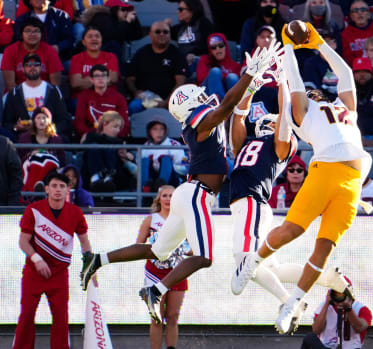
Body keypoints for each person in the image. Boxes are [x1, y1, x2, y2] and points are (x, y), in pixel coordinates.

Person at [79, 41, 281, 325]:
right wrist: (248, 75)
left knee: (157, 251)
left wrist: (251, 83)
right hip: (197, 195)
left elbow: (230, 109)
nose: (206, 96)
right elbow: (225, 107)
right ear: (190, 104)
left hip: (191, 194)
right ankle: (155, 290)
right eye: (199, 96)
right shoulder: (196, 119)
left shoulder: (199, 120)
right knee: (205, 257)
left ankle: (97, 259)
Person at [230, 24, 372, 335]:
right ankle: (252, 262)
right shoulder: (304, 112)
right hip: (325, 169)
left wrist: (319, 44)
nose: (311, 90)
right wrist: (289, 49)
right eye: (306, 92)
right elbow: (294, 81)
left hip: (349, 180)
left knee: (324, 248)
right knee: (292, 230)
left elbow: (345, 74)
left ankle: (293, 303)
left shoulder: (345, 106)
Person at [13, 172, 92, 349]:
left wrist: (91, 267)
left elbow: (85, 242)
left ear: (67, 190)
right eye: (54, 186)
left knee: (61, 319)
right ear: (47, 189)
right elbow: (23, 241)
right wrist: (36, 259)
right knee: (26, 316)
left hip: (59, 275)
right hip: (33, 273)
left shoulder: (76, 212)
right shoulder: (33, 210)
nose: (58, 190)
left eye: (62, 186)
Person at [136, 185, 191, 349]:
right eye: (165, 195)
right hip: (154, 273)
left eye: (172, 195)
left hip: (178, 272)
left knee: (173, 316)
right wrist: (154, 247)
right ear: (159, 199)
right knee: (156, 317)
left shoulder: (184, 219)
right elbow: (138, 245)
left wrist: (181, 249)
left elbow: (194, 248)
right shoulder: (151, 220)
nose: (168, 199)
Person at [2, 52, 71, 141]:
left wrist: (48, 130)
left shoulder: (53, 91)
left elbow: (64, 120)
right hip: (23, 138)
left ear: (41, 68)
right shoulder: (15, 93)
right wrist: (16, 127)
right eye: (28, 65)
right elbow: (7, 123)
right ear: (22, 69)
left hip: (49, 137)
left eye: (36, 64)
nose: (32, 67)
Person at [127, 21, 188, 114]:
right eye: (158, 31)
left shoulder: (177, 54)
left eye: (165, 32)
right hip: (145, 99)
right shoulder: (141, 53)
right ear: (150, 35)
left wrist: (167, 102)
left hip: (171, 100)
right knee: (134, 106)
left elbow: (180, 82)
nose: (162, 34)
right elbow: (130, 79)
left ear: (170, 35)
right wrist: (135, 92)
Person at [301, 282, 372, 349]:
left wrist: (348, 308)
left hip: (351, 347)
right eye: (336, 293)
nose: (339, 296)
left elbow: (360, 328)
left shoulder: (361, 309)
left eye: (342, 293)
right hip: (327, 346)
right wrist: (326, 304)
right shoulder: (323, 307)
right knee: (309, 338)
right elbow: (316, 330)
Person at [1, 17, 63, 91]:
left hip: (44, 95)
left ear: (41, 34)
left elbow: (55, 85)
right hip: (17, 95)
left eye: (36, 31)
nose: (32, 34)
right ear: (21, 34)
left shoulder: (50, 51)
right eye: (27, 31)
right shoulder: (10, 51)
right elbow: (10, 84)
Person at [81, 111, 135, 192]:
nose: (117, 130)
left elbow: (132, 157)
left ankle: (108, 177)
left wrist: (126, 155)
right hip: (89, 175)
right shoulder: (91, 136)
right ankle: (96, 177)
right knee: (95, 147)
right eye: (115, 126)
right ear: (105, 124)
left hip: (116, 177)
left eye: (119, 128)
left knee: (110, 148)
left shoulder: (120, 142)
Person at [74, 64, 129, 141]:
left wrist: (112, 134)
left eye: (103, 76)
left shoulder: (119, 98)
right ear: (91, 79)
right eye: (97, 76)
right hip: (92, 137)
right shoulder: (84, 96)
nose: (100, 78)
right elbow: (79, 121)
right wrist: (90, 134)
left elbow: (124, 123)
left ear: (108, 79)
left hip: (113, 137)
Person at [18, 106, 65, 194]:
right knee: (36, 161)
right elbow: (19, 160)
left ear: (49, 121)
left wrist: (49, 156)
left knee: (47, 161)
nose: (41, 121)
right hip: (30, 169)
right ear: (34, 121)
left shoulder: (56, 139)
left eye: (44, 118)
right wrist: (31, 155)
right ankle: (34, 190)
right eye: (38, 118)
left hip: (50, 170)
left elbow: (62, 161)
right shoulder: (24, 138)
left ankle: (42, 187)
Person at [69, 27, 120, 97]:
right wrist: (103, 79)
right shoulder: (77, 58)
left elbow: (113, 78)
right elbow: (76, 83)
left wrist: (87, 79)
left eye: (97, 36)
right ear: (83, 42)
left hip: (108, 98)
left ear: (101, 40)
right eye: (90, 36)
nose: (94, 39)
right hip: (84, 99)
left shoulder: (110, 57)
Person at [141, 119, 187, 191]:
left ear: (165, 131)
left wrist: (167, 166)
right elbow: (138, 169)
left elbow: (183, 168)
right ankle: (145, 188)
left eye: (161, 129)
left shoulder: (174, 145)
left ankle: (161, 186)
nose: (158, 132)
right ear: (149, 131)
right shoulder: (145, 146)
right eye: (155, 129)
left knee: (166, 159)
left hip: (172, 179)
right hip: (152, 178)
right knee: (144, 160)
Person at [341, 0, 373, 65]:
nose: (359, 13)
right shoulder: (345, 34)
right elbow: (348, 57)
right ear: (351, 16)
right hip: (357, 69)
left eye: (363, 10)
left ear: (369, 14)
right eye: (355, 10)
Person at [196, 33, 242, 99]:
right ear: (210, 50)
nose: (218, 49)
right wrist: (221, 76)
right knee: (215, 71)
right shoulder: (204, 60)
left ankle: (236, 104)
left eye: (220, 45)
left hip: (228, 95)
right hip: (206, 94)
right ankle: (217, 103)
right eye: (213, 47)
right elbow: (201, 78)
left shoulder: (235, 66)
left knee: (232, 77)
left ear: (225, 46)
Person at [171, 0, 214, 68]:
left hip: (198, 62)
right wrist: (165, 25)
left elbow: (208, 45)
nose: (178, 12)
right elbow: (165, 35)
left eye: (181, 9)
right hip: (183, 63)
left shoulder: (203, 23)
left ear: (192, 10)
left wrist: (193, 54)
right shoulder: (180, 27)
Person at [0, 135, 22, 205]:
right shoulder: (4, 143)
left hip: (3, 205)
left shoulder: (4, 143)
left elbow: (16, 175)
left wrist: (12, 204)